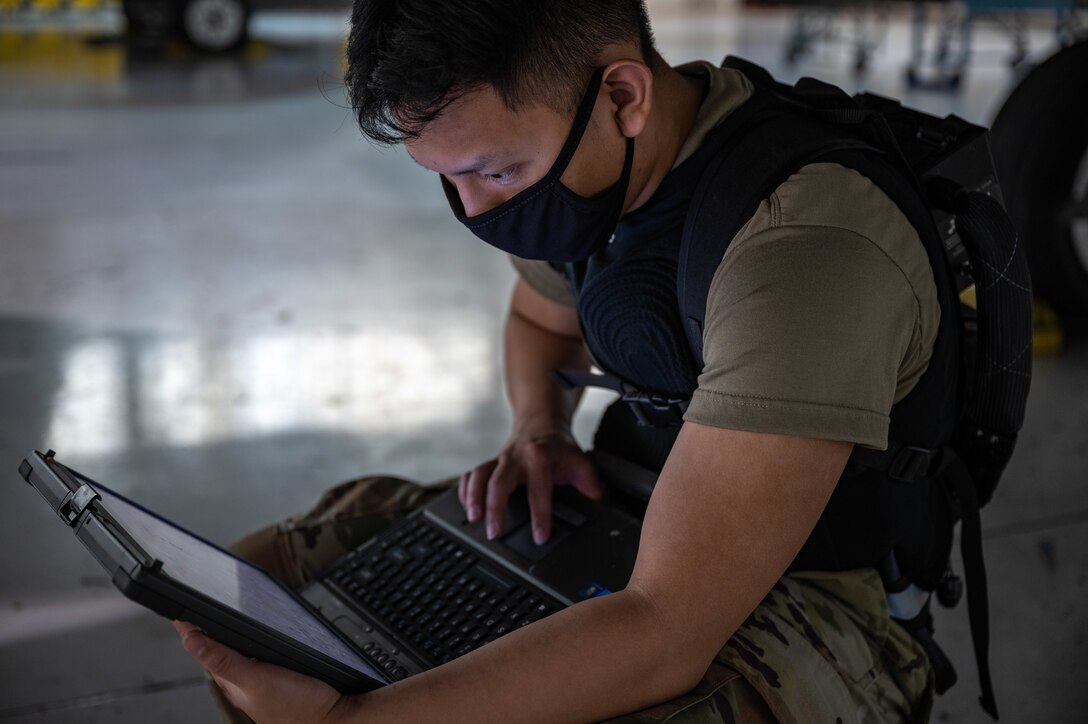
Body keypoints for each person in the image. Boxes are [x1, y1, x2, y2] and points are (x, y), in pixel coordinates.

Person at [175, 1, 942, 721]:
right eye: (448, 178)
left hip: (819, 586)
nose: (475, 210)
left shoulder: (806, 250)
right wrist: (538, 431)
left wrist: (357, 719)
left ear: (622, 96)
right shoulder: (610, 167)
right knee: (258, 590)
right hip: (625, 508)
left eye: (496, 171)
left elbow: (665, 626)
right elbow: (540, 318)